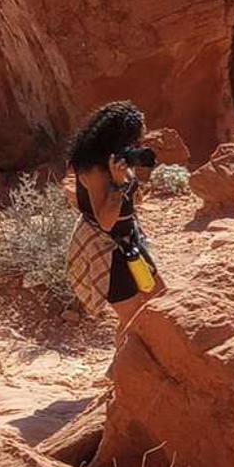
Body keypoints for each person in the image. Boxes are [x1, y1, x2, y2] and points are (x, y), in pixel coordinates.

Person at [65, 101, 163, 337]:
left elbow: (135, 201)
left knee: (159, 301)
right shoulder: (94, 171)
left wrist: (128, 177)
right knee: (133, 322)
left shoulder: (117, 163)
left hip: (130, 243)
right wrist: (118, 186)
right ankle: (127, 371)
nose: (138, 145)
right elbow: (106, 222)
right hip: (107, 252)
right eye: (135, 140)